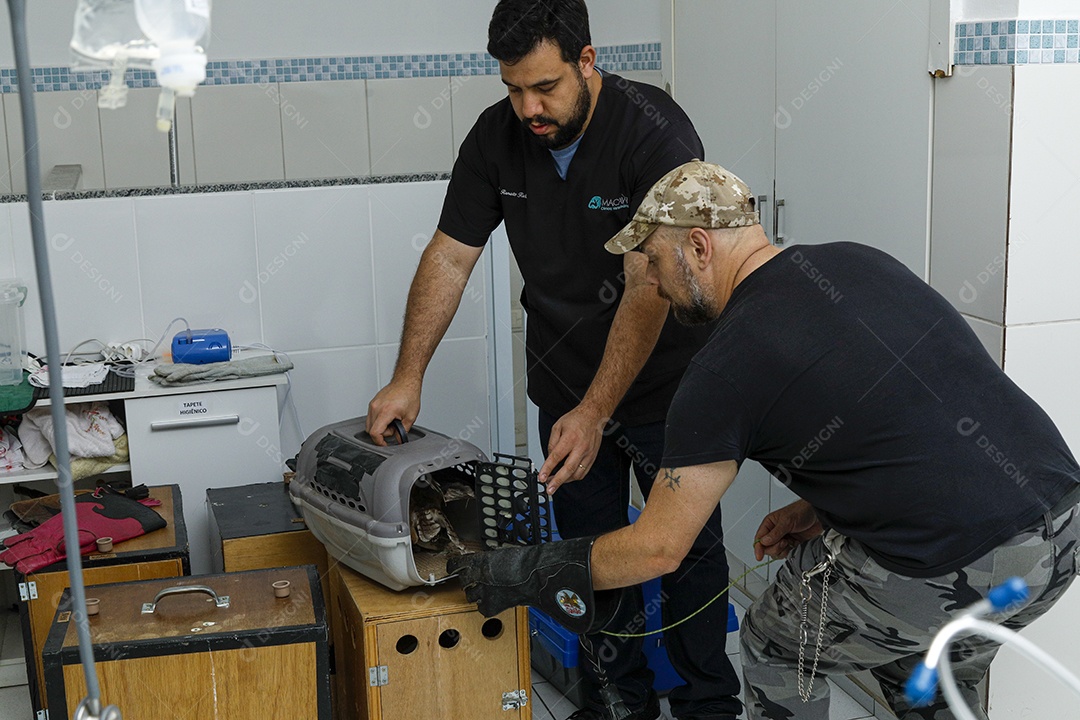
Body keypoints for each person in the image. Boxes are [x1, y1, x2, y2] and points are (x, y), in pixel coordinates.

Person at [449, 160, 1080, 720]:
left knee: (778, 640)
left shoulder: (723, 366)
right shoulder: (854, 260)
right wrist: (822, 508)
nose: (655, 288)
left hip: (957, 556)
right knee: (923, 668)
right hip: (1062, 527)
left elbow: (658, 549)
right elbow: (908, 416)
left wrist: (527, 570)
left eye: (655, 266)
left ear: (698, 245)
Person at [365, 2, 743, 718]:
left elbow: (646, 285)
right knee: (588, 557)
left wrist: (599, 411)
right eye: (513, 89)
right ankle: (615, 702)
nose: (528, 107)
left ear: (587, 61)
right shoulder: (495, 139)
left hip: (672, 390)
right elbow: (451, 256)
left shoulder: (652, 130)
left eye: (545, 87)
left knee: (684, 555)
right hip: (565, 389)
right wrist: (408, 375)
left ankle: (707, 704)